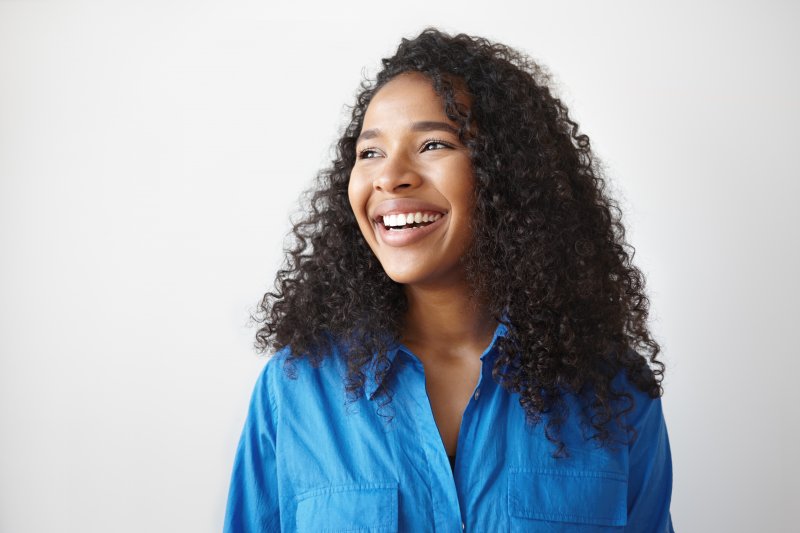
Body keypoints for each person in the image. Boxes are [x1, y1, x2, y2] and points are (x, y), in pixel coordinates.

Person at [224, 28, 674, 532]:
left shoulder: (613, 393)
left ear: (505, 175)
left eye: (433, 143)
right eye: (369, 153)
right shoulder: (296, 389)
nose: (390, 176)